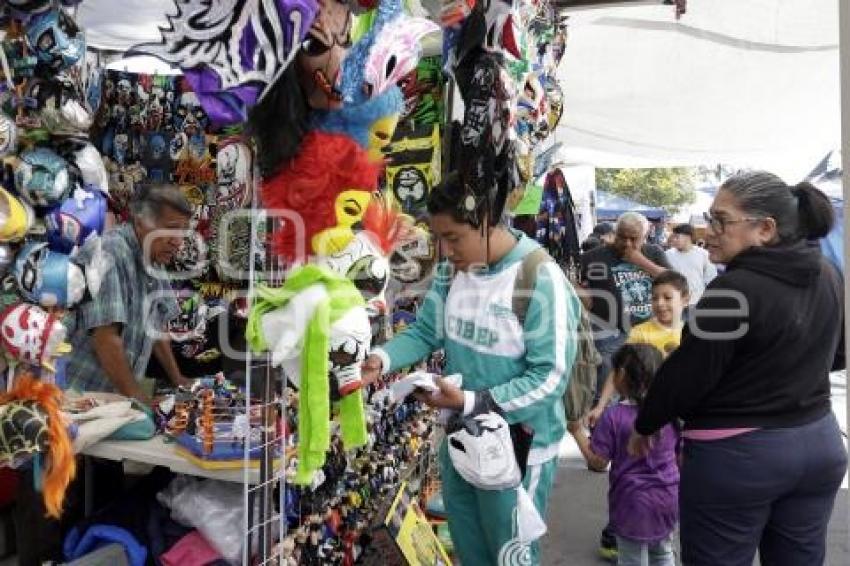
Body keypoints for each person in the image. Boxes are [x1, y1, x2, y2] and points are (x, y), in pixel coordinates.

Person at [630, 171, 847, 566]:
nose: (708, 230)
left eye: (720, 220)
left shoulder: (735, 289)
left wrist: (646, 423)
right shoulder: (829, 275)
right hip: (820, 445)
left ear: (765, 229)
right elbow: (839, 355)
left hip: (739, 458)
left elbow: (686, 376)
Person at [362, 172, 579, 565]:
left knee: (509, 556)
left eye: (454, 238)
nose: (445, 252)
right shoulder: (451, 273)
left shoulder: (539, 277)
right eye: (439, 238)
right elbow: (427, 332)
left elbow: (550, 377)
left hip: (518, 453)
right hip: (462, 441)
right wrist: (381, 359)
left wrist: (472, 401)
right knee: (469, 550)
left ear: (485, 222)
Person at [579, 211, 669, 560]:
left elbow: (673, 283)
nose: (629, 244)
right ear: (614, 232)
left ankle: (652, 455)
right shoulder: (593, 257)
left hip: (647, 334)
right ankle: (617, 455)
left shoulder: (655, 254)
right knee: (614, 394)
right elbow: (587, 294)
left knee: (651, 399)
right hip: (609, 334)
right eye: (624, 238)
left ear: (645, 236)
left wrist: (639, 259)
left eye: (636, 238)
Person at [65, 183, 193, 404]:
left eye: (182, 232)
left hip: (112, 397)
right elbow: (106, 339)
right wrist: (139, 401)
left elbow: (156, 326)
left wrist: (178, 379)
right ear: (141, 221)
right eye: (171, 229)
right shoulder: (110, 253)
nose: (178, 242)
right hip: (79, 395)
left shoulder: (153, 257)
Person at [570, 344, 679, 566]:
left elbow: (598, 462)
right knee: (663, 552)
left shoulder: (614, 416)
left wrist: (576, 432)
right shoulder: (672, 411)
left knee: (631, 559)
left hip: (632, 504)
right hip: (668, 499)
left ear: (620, 375)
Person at [586, 270, 688, 427]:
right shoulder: (639, 332)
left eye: (667, 297)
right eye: (654, 298)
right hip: (645, 409)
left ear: (685, 299)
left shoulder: (692, 333)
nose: (660, 303)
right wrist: (601, 406)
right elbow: (620, 369)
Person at [665, 224, 716, 306]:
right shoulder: (667, 255)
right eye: (673, 237)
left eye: (677, 237)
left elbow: (711, 278)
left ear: (688, 237)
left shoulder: (704, 254)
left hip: (697, 302)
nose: (674, 240)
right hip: (674, 302)